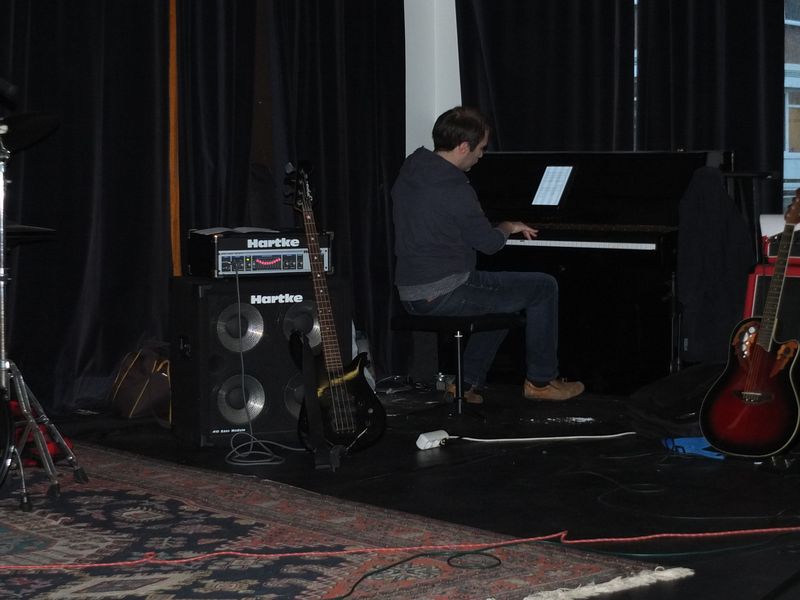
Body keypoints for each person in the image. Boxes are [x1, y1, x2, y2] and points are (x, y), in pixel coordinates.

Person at [391, 106, 584, 403]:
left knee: (501, 302)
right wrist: (508, 225)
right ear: (463, 147)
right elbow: (489, 244)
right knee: (543, 287)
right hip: (444, 291)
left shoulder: (412, 168)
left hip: (410, 291)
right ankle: (541, 382)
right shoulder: (455, 187)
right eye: (480, 149)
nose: (481, 156)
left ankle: (465, 384)